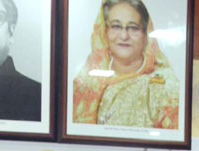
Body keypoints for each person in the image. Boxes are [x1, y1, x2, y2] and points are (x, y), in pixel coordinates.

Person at [72, 0, 180, 129]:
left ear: (146, 34)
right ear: (105, 32)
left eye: (133, 28)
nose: (124, 36)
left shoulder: (166, 86)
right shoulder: (86, 81)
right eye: (116, 26)